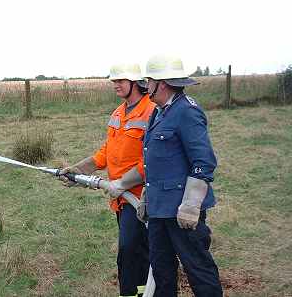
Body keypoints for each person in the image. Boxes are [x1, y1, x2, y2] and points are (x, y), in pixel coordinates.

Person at [60, 63, 156, 297]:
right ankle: (144, 291)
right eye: (114, 80)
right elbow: (106, 151)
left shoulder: (152, 111)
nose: (116, 84)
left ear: (136, 83)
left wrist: (123, 184)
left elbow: (152, 158)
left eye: (121, 80)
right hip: (120, 199)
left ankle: (137, 292)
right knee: (135, 251)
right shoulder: (118, 113)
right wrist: (78, 169)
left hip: (140, 198)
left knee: (129, 250)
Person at [138, 55, 223, 296]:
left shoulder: (187, 111)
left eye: (149, 80)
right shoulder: (159, 112)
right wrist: (148, 196)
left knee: (198, 269)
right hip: (158, 211)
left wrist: (191, 204)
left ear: (162, 83)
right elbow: (157, 161)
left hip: (181, 212)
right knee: (162, 271)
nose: (146, 85)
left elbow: (203, 162)